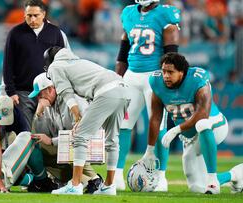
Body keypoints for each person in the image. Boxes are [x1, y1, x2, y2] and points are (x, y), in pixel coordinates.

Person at [148, 52, 243, 194]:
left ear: (182, 72)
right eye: (164, 71)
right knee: (196, 187)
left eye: (170, 72)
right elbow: (155, 117)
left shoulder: (197, 79)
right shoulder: (156, 82)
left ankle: (212, 179)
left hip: (214, 124)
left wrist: (176, 129)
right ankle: (236, 175)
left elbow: (202, 114)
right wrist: (150, 149)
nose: (166, 75)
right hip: (190, 136)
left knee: (202, 124)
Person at [41, 47, 130, 195]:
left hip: (106, 91)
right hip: (123, 88)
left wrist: (77, 117)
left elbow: (65, 93)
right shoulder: (79, 62)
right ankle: (109, 186)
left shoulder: (56, 66)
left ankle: (75, 185)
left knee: (80, 136)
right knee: (112, 140)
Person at [114, 0, 181, 191]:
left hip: (154, 76)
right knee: (123, 124)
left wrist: (167, 80)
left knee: (158, 126)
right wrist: (116, 77)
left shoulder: (165, 14)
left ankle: (161, 177)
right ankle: (116, 174)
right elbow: (123, 51)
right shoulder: (128, 13)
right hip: (131, 76)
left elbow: (172, 55)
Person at [28, 73, 103, 193]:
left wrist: (52, 141)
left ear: (51, 89)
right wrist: (39, 114)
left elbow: (82, 133)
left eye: (40, 94)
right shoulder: (49, 106)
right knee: (37, 148)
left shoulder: (73, 101)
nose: (39, 98)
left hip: (92, 142)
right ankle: (88, 181)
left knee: (73, 145)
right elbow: (43, 136)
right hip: (69, 146)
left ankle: (94, 178)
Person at [1, 0, 66, 130]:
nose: (32, 19)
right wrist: (11, 91)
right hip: (22, 93)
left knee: (47, 130)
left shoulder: (55, 33)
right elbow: (8, 64)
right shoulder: (15, 33)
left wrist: (59, 88)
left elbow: (62, 63)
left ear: (44, 14)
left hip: (47, 91)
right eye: (29, 15)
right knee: (26, 132)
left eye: (36, 15)